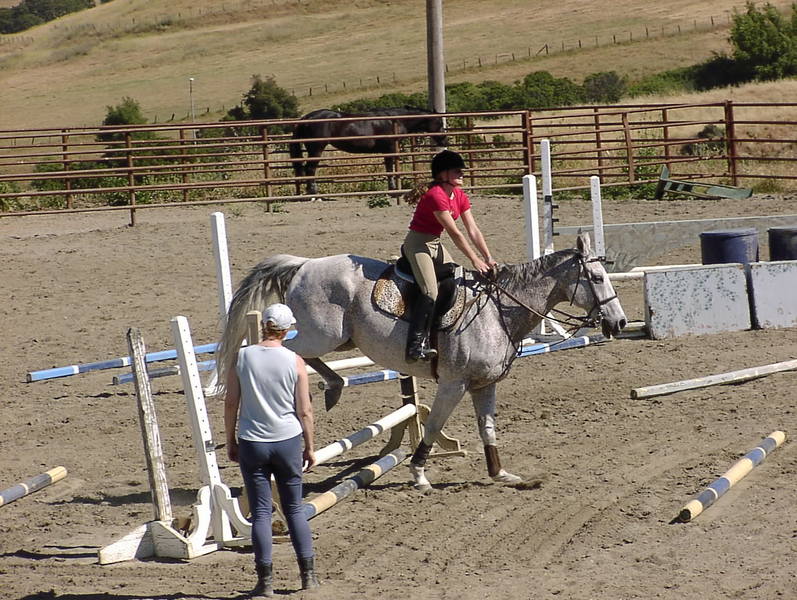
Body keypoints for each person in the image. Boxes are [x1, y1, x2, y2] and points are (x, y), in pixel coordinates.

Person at [223, 303, 320, 597]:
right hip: (287, 440)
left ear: (264, 326)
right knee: (294, 509)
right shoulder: (295, 361)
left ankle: (265, 581)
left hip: (253, 441)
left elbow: (231, 403)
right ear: (287, 330)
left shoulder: (242, 357)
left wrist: (230, 439)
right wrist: (310, 447)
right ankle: (308, 576)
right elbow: (305, 410)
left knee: (261, 512)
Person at [401, 149, 498, 362]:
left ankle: (437, 326)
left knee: (455, 279)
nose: (462, 174)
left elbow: (473, 229)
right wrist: (474, 259)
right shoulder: (435, 196)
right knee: (430, 291)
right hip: (417, 244)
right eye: (457, 171)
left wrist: (488, 256)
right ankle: (414, 346)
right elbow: (455, 233)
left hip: (434, 244)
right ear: (442, 174)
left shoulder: (459, 195)